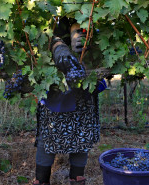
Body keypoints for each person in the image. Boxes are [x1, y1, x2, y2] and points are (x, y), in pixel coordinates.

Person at [33, 18, 107, 185]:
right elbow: (47, 39)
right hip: (56, 95)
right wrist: (58, 46)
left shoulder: (91, 17)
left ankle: (76, 179)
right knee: (49, 139)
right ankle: (41, 181)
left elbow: (101, 55)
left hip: (83, 95)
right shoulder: (51, 20)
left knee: (81, 139)